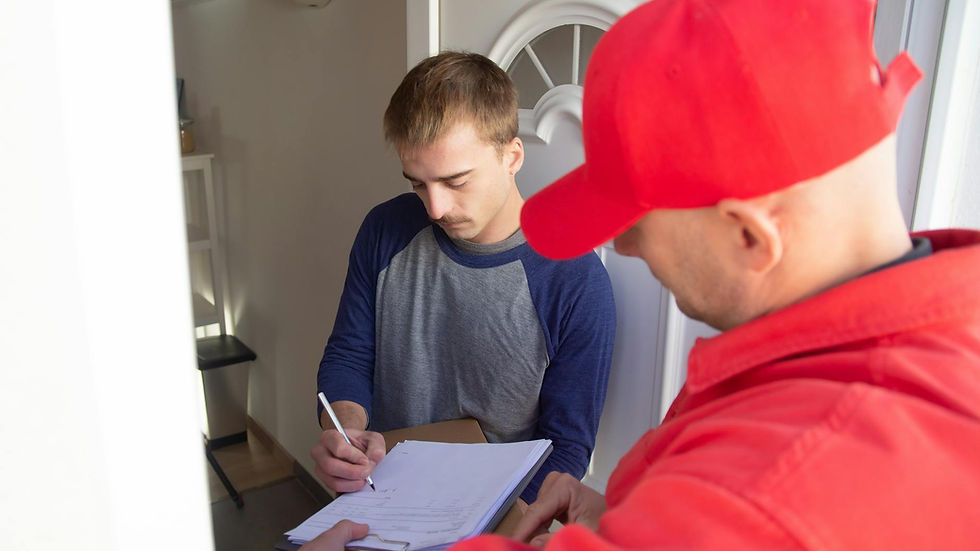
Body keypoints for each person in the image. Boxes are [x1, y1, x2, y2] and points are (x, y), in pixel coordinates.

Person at [310, 51, 616, 505]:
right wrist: (347, 429)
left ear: (512, 156)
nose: (434, 208)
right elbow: (350, 355)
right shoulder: (386, 229)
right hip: (380, 498)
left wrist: (488, 526)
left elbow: (566, 447)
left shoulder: (575, 281)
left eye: (455, 182)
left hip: (491, 514)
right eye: (418, 183)